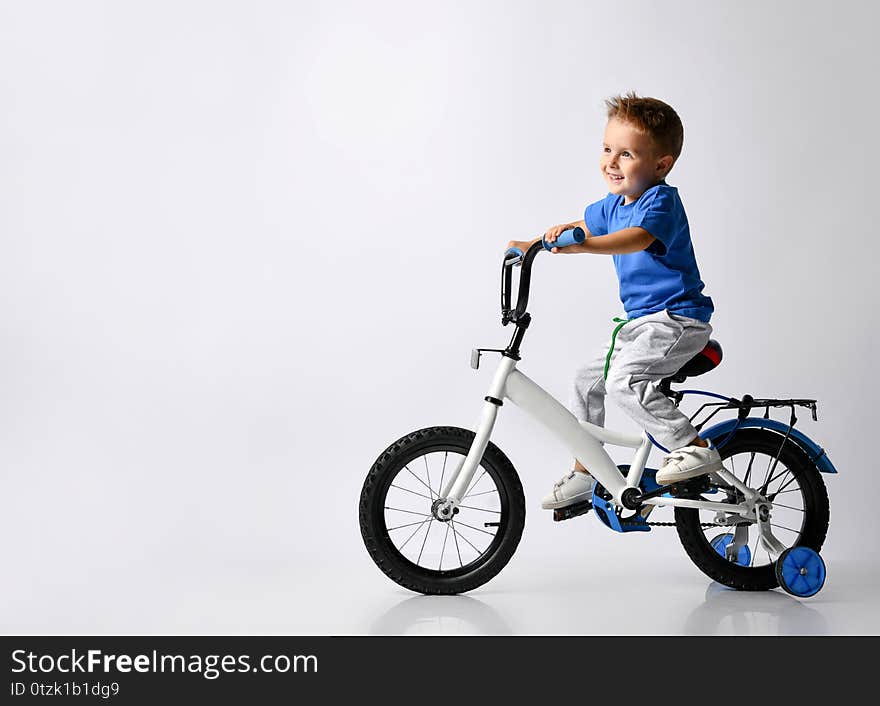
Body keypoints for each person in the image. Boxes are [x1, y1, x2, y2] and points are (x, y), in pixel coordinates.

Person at [506, 92, 722, 511]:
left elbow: (636, 238)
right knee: (586, 380)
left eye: (626, 154)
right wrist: (531, 244)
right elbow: (579, 226)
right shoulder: (611, 206)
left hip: (678, 320)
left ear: (661, 164)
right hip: (640, 323)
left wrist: (584, 247)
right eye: (607, 149)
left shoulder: (660, 202)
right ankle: (589, 471)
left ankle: (692, 446)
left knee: (624, 381)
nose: (611, 162)